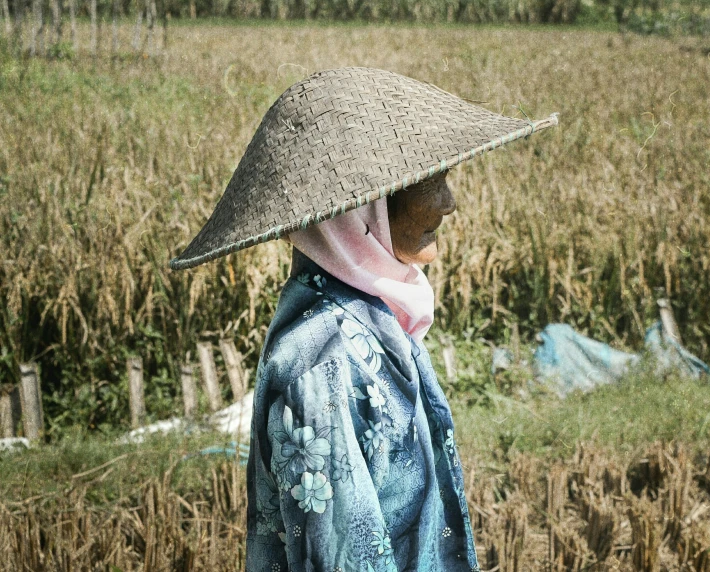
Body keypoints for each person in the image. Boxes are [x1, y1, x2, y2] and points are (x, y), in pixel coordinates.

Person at [170, 67, 557, 571]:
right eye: (432, 180)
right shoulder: (321, 365)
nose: (449, 203)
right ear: (362, 212)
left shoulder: (374, 322)